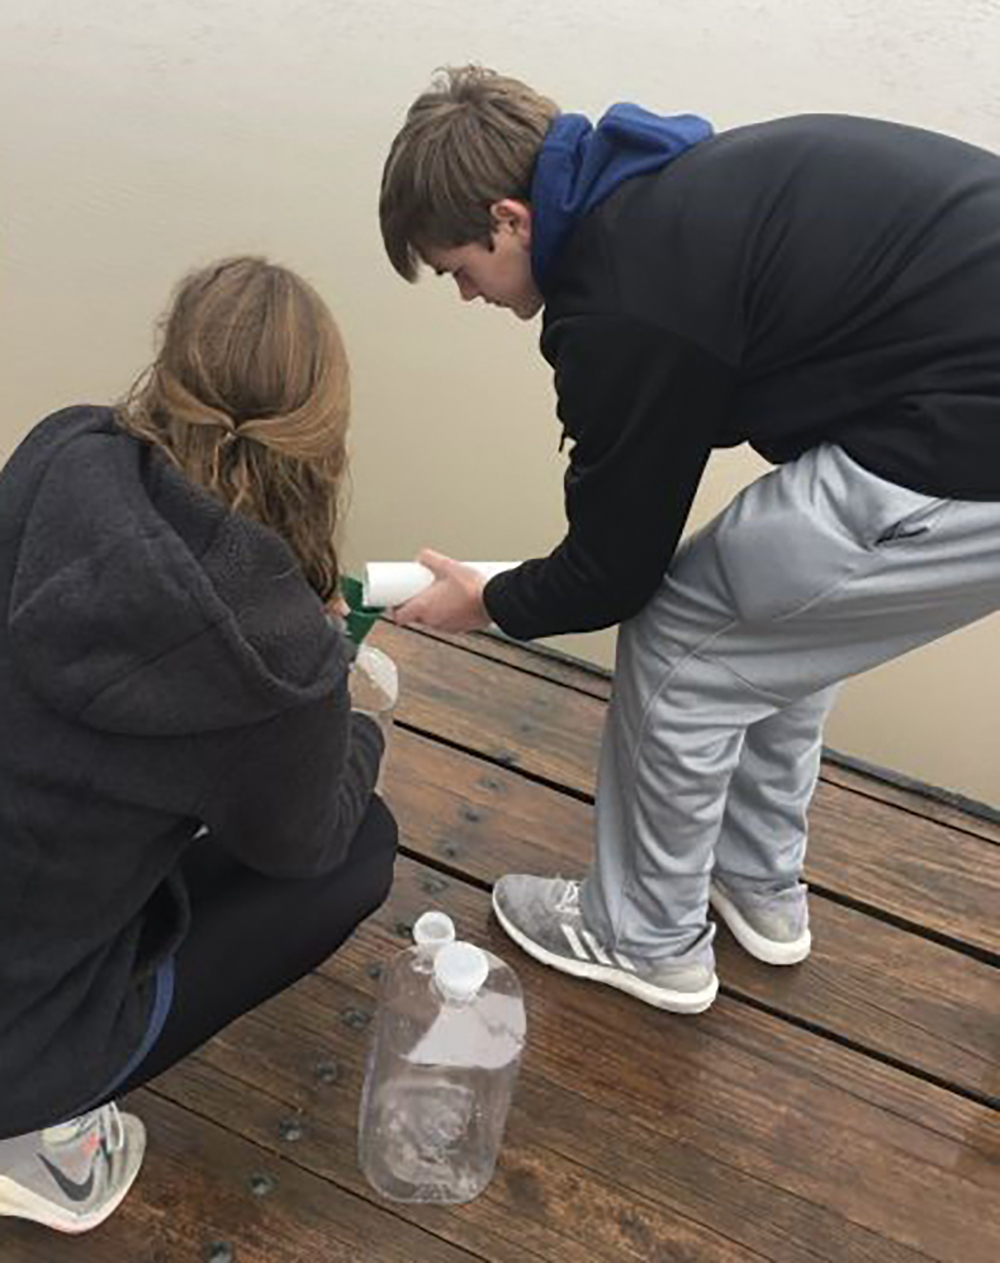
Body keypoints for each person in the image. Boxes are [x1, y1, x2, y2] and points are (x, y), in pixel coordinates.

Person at [379, 66, 1000, 1015]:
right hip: (948, 400)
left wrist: (488, 602)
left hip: (964, 444)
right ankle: (759, 885)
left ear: (509, 219)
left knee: (684, 636)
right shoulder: (656, 191)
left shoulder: (624, 305)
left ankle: (645, 936)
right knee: (779, 612)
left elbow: (614, 576)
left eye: (460, 268)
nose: (467, 295)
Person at [0, 256, 397, 1232]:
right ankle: (37, 1142)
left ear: (166, 369)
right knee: (362, 845)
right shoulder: (284, 662)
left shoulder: (60, 454)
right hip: (18, 1044)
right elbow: (303, 845)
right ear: (324, 438)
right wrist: (359, 724)